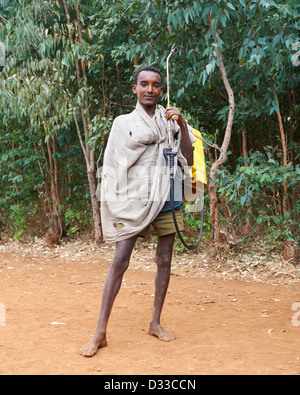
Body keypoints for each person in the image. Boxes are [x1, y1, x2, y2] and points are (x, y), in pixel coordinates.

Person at [79, 65, 194, 357]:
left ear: (161, 90)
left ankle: (155, 322)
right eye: (144, 84)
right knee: (120, 260)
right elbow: (116, 165)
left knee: (164, 260)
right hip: (133, 198)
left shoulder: (171, 122)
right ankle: (100, 332)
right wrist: (116, 199)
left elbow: (188, 158)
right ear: (135, 89)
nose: (150, 89)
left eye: (156, 85)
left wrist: (181, 124)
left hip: (168, 196)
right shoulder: (123, 122)